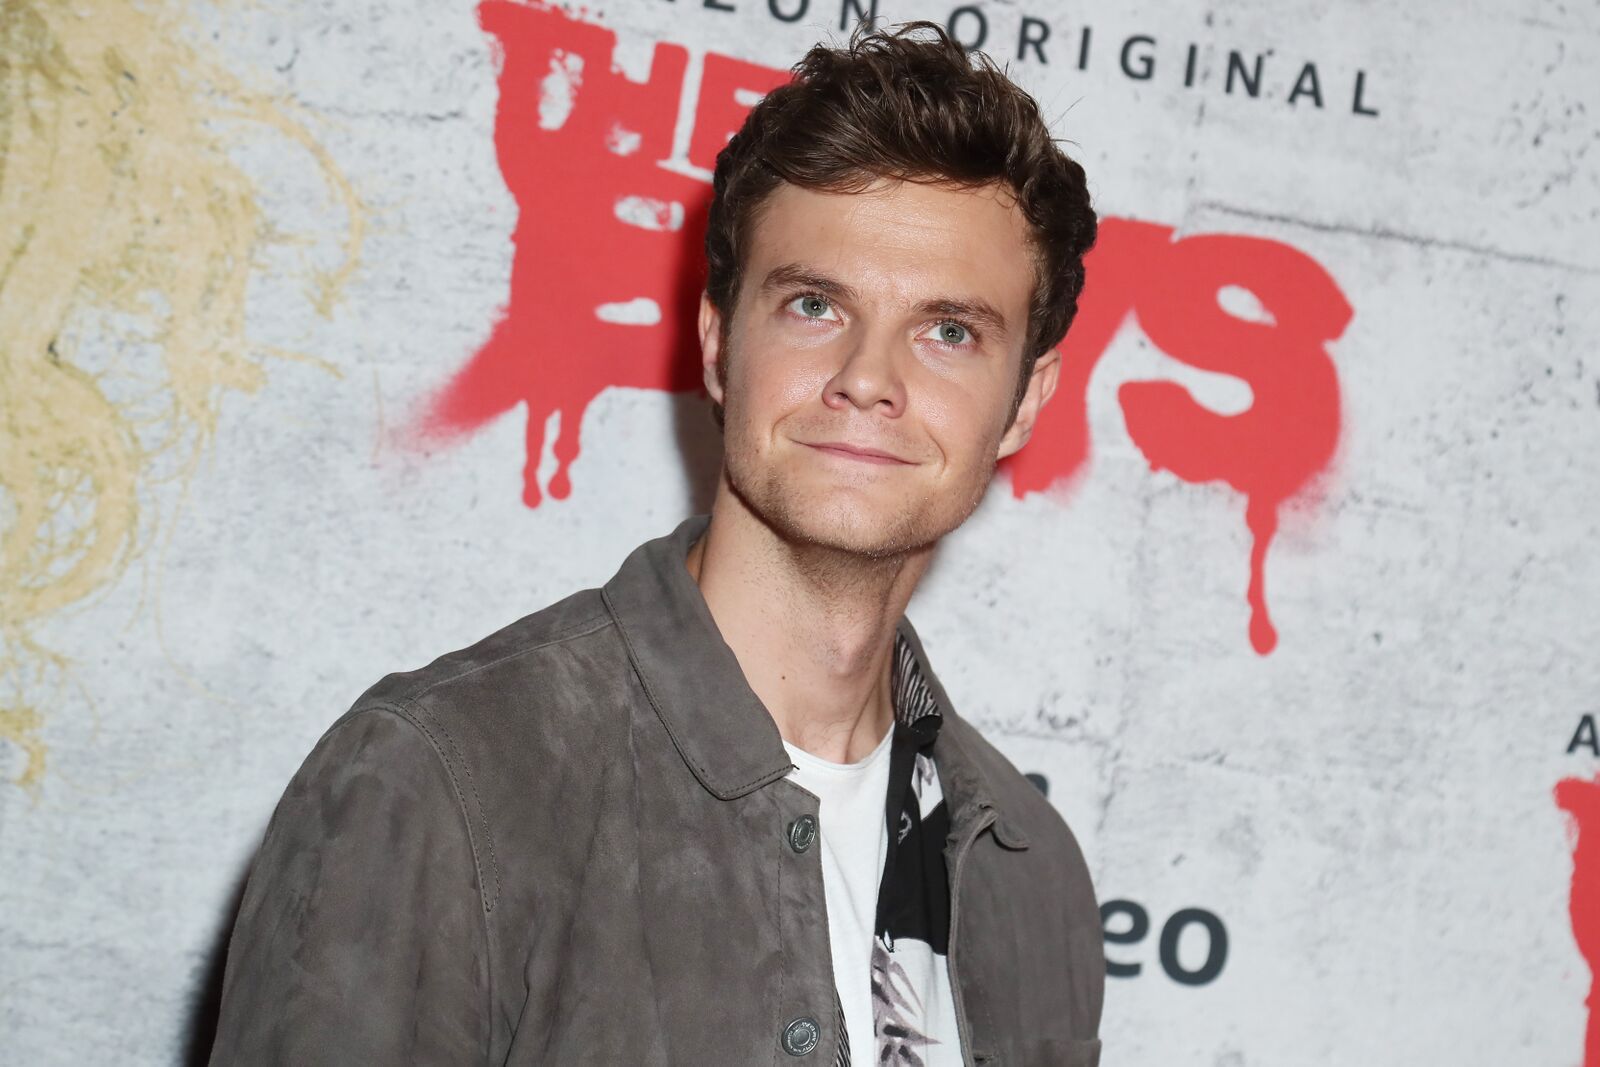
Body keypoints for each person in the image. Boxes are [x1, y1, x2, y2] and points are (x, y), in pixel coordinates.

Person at [209, 19, 1103, 1067]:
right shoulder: (441, 781)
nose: (869, 377)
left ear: (1026, 399)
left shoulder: (1027, 868)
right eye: (815, 305)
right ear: (719, 342)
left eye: (949, 329)